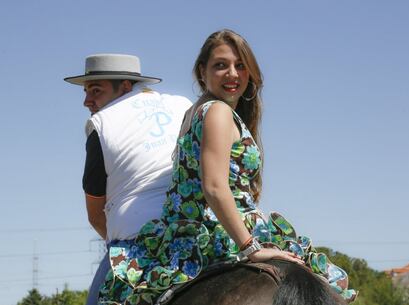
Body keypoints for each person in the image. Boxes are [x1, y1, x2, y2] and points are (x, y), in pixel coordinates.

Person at [98, 31, 357, 304]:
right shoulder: (218, 112)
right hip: (214, 234)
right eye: (221, 65)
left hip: (189, 230)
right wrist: (251, 248)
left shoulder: (196, 112)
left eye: (240, 65)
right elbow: (214, 186)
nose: (232, 73)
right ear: (202, 71)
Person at [64, 53, 192, 305]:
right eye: (86, 91)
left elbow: (95, 214)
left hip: (135, 241)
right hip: (195, 229)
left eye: (95, 90)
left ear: (124, 86)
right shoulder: (184, 104)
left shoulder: (101, 124)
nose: (86, 101)